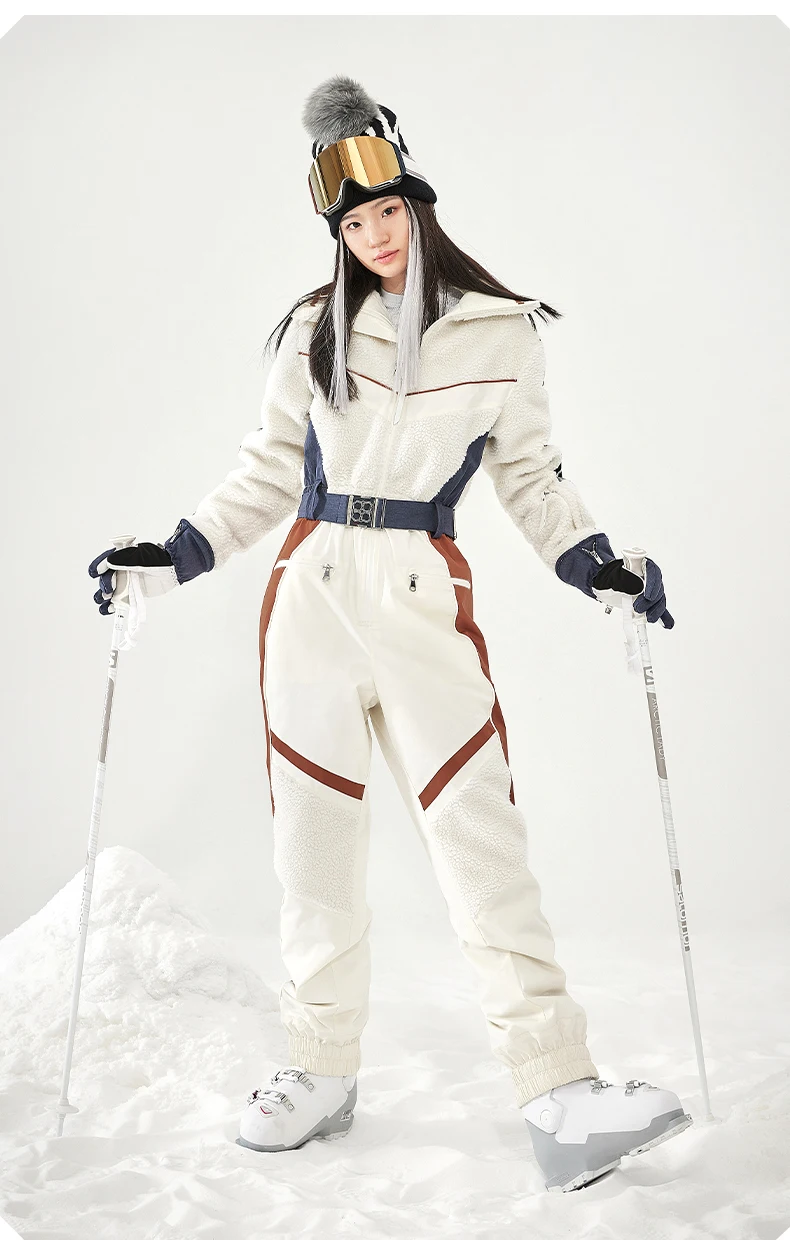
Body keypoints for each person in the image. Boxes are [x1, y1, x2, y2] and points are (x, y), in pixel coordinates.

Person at [88, 74, 692, 1193]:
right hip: (309, 593)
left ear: (417, 201)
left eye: (385, 211)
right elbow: (267, 470)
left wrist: (596, 562)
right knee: (312, 852)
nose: (372, 236)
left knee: (478, 838)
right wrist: (171, 556)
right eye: (352, 223)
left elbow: (531, 477)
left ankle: (557, 1089)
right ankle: (320, 1069)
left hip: (420, 592)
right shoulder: (313, 330)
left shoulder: (502, 332)